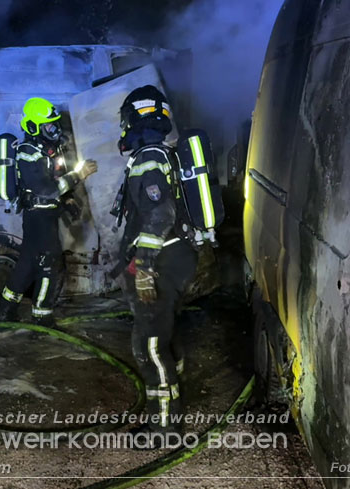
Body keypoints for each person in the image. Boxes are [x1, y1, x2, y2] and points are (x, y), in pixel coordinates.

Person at [115, 85, 198, 439]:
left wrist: (145, 267)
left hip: (161, 261)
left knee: (149, 346)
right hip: (175, 257)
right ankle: (172, 396)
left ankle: (164, 425)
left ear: (135, 118)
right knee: (163, 335)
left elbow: (160, 214)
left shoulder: (148, 158)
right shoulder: (162, 153)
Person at [0, 97, 97, 327]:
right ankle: (42, 315)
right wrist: (79, 175)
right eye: (48, 126)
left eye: (54, 124)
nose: (54, 130)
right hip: (37, 217)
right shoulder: (28, 153)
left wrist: (67, 199)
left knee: (28, 263)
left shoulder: (47, 150)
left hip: (47, 215)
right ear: (33, 127)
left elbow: (56, 179)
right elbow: (46, 190)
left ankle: (5, 310)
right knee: (50, 263)